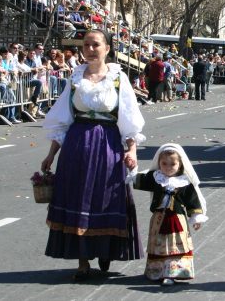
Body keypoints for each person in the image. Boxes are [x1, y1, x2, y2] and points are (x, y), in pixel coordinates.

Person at [41, 29, 145, 281]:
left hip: (108, 144)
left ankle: (106, 249)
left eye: (95, 44)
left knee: (106, 198)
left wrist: (131, 150)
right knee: (80, 199)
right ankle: (83, 261)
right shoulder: (76, 78)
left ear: (107, 48)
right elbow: (63, 120)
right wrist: (51, 155)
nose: (89, 49)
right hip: (77, 145)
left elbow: (129, 118)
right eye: (86, 44)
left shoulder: (118, 79)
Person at [133, 143, 207, 284]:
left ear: (180, 164)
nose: (168, 167)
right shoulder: (156, 178)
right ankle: (156, 271)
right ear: (159, 163)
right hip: (158, 220)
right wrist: (131, 168)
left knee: (174, 245)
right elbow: (138, 180)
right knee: (159, 244)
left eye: (173, 164)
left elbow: (193, 201)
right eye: (164, 163)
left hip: (176, 220)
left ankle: (172, 273)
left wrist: (196, 217)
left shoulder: (184, 182)